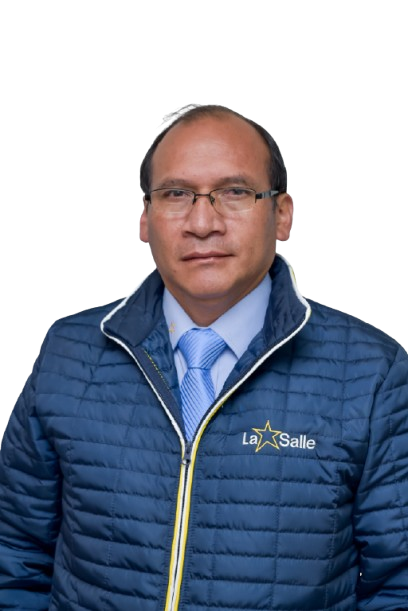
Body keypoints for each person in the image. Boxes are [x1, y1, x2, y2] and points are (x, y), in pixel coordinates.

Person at [0, 103, 407, 611]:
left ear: (283, 214)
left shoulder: (372, 372)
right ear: (145, 217)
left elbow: (398, 584)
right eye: (176, 194)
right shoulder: (68, 351)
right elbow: (14, 555)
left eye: (234, 192)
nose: (201, 222)